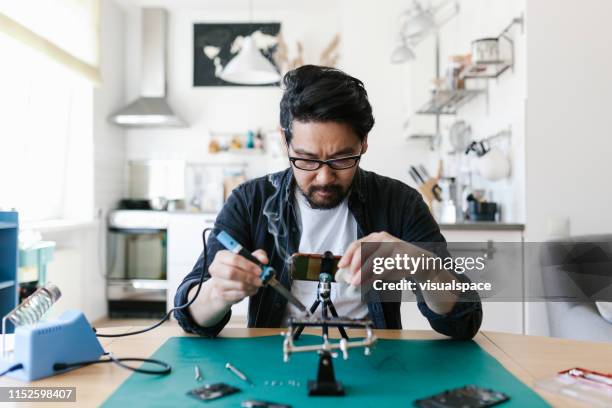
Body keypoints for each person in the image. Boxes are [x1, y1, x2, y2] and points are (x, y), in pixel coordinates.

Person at [174, 65, 482, 339]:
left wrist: (421, 265)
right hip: (273, 362)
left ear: (363, 142)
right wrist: (217, 293)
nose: (323, 177)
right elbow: (189, 315)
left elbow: (463, 321)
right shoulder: (250, 201)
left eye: (341, 159)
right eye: (306, 159)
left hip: (374, 363)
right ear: (285, 141)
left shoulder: (399, 202)